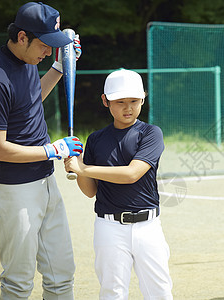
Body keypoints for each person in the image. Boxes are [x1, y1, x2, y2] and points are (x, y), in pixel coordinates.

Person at [0, 2, 83, 299]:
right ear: (22, 36)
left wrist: (57, 68)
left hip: (44, 181)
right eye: (45, 45)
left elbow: (28, 103)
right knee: (18, 283)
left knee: (61, 275)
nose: (48, 52)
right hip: (12, 191)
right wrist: (52, 150)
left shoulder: (27, 63)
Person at [64, 69, 173, 300]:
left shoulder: (150, 133)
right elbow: (90, 190)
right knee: (112, 292)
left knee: (160, 292)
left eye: (134, 101)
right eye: (120, 102)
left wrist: (84, 168)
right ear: (105, 101)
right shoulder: (95, 139)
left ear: (143, 98)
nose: (128, 108)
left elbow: (132, 174)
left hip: (148, 226)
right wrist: (77, 164)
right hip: (109, 226)